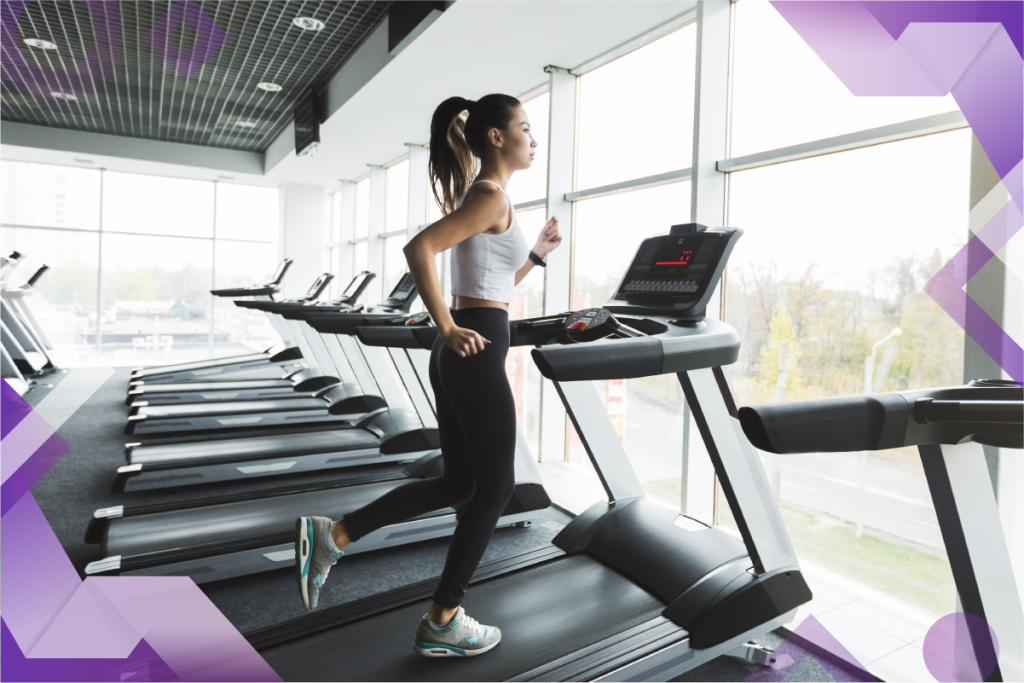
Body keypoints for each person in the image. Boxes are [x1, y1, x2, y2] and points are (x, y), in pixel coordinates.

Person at [295, 93, 562, 658]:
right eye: (525, 128)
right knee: (497, 488)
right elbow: (421, 248)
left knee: (462, 484)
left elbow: (489, 286)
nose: (532, 140)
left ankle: (336, 534)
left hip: (468, 344)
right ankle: (444, 616)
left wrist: (534, 256)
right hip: (472, 349)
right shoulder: (490, 197)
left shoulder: (489, 200)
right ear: (496, 137)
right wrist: (444, 326)